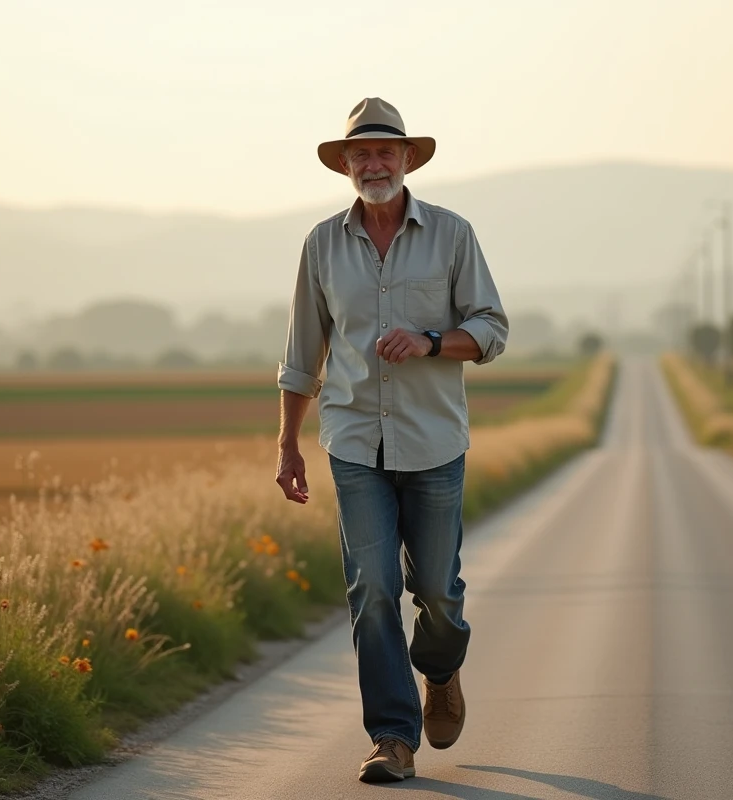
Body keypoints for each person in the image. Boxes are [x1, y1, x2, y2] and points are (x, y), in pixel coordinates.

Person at [275, 97, 508, 783]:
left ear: (408, 160)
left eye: (385, 152)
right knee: (371, 590)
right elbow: (301, 353)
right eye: (361, 154)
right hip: (351, 442)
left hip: (434, 442)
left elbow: (491, 329)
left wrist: (432, 341)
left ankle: (440, 670)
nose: (373, 163)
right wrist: (287, 444)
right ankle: (392, 738)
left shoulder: (452, 235)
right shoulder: (320, 244)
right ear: (345, 165)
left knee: (437, 592)